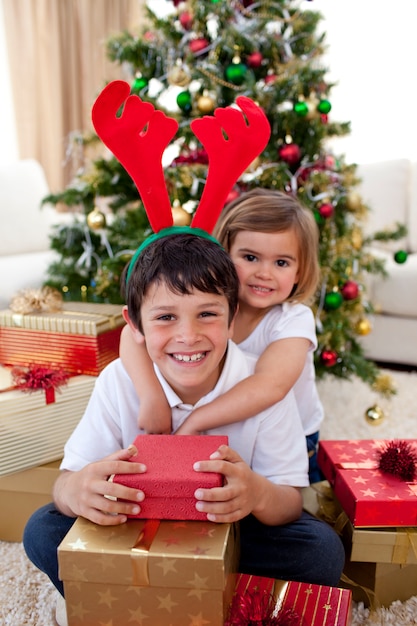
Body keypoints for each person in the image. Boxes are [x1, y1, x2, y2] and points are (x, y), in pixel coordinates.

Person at [23, 232, 344, 611]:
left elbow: (289, 502)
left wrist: (255, 492)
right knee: (42, 530)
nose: (188, 337)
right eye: (165, 318)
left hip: (235, 531)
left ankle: (209, 599)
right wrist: (76, 489)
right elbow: (66, 482)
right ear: (136, 325)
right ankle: (129, 595)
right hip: (133, 527)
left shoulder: (261, 388)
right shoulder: (119, 381)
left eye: (207, 314)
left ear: (232, 317)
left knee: (322, 552)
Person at [120, 188, 325, 482]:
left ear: (299, 271)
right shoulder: (206, 307)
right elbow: (131, 335)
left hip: (289, 438)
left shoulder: (293, 320)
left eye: (281, 263)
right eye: (250, 257)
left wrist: (195, 422)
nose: (264, 273)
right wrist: (151, 396)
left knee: (298, 510)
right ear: (223, 253)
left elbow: (270, 386)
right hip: (227, 433)